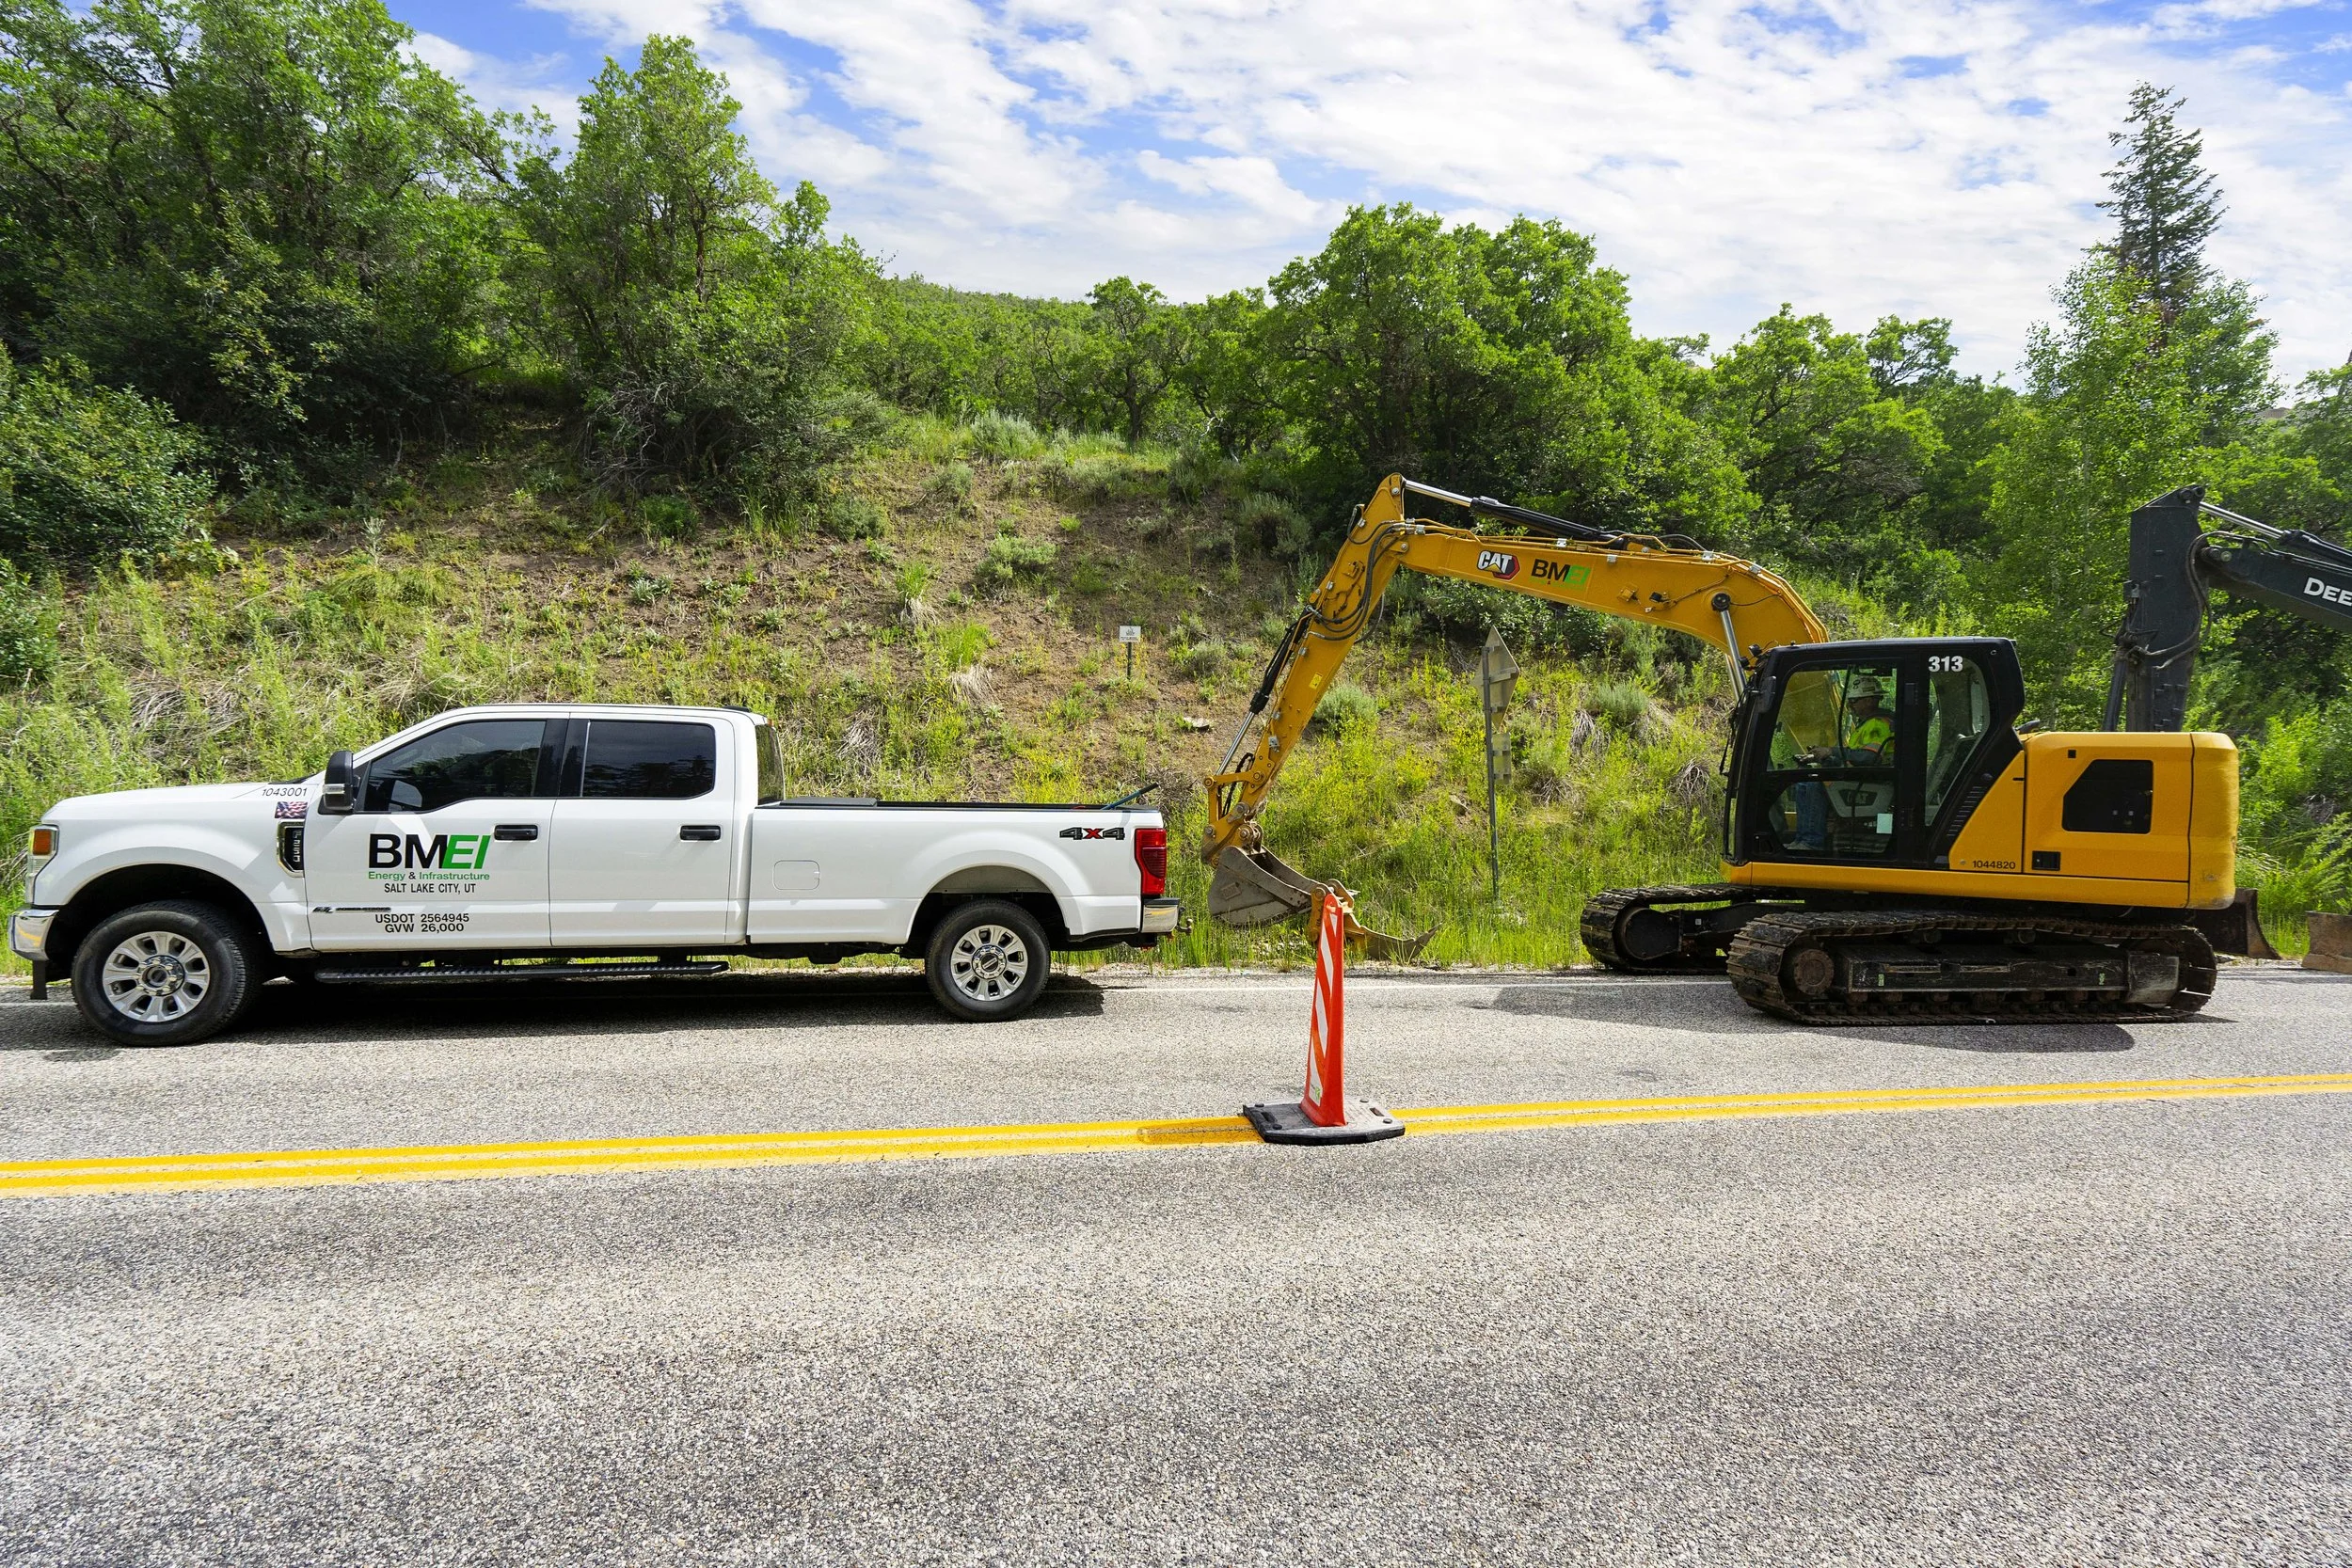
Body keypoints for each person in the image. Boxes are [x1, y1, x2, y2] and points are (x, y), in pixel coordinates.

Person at [1788, 673, 1896, 851]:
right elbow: (1853, 755)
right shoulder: (1868, 724)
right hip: (1860, 777)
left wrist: (1831, 751)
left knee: (1811, 785)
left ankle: (1811, 842)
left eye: (1854, 700)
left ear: (1868, 700)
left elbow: (1869, 758)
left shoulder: (1877, 725)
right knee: (1806, 781)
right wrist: (1824, 756)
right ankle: (1801, 839)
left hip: (1869, 781)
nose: (1850, 705)